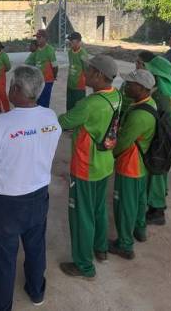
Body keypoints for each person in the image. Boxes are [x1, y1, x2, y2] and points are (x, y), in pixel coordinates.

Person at [0, 66, 62, 311]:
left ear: (16, 89)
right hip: (39, 195)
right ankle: (36, 291)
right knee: (36, 246)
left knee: (4, 256)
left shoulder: (1, 123)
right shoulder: (50, 117)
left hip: (6, 202)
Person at [58, 54, 121, 280]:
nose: (84, 73)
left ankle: (84, 265)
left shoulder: (89, 104)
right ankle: (100, 249)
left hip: (85, 166)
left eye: (89, 70)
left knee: (81, 215)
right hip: (104, 163)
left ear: (99, 75)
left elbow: (63, 121)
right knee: (98, 208)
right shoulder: (116, 95)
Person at [109, 69, 157, 260]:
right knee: (138, 200)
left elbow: (122, 143)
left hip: (130, 165)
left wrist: (108, 156)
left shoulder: (138, 116)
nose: (126, 86)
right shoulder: (149, 103)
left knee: (124, 205)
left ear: (142, 88)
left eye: (130, 84)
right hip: (141, 165)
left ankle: (125, 245)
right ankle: (140, 229)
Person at [137, 50, 171, 226]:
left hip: (162, 136)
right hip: (169, 133)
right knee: (160, 171)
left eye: (139, 64)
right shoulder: (168, 85)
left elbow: (159, 116)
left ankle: (157, 210)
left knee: (155, 170)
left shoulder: (159, 92)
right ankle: (158, 199)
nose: (137, 66)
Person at [33, 30, 58, 108]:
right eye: (36, 37)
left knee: (44, 101)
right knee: (37, 100)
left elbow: (55, 66)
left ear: (45, 38)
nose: (37, 39)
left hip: (47, 80)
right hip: (38, 80)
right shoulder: (36, 49)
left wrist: (54, 76)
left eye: (39, 37)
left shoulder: (49, 50)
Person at [66, 32, 90, 111]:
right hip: (70, 84)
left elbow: (87, 69)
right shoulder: (70, 52)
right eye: (70, 41)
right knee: (69, 107)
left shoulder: (83, 54)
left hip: (79, 86)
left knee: (78, 108)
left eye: (72, 41)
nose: (70, 43)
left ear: (79, 42)